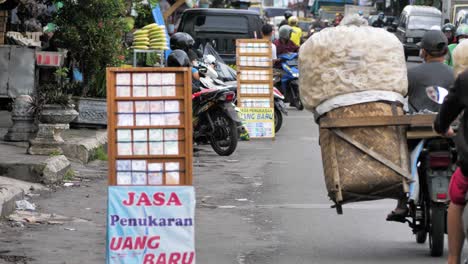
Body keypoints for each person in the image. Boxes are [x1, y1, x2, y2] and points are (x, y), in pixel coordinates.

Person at [387, 30, 455, 221]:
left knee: (401, 156)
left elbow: (398, 99)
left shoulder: (412, 73)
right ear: (445, 52)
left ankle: (401, 203)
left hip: (416, 133)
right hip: (450, 133)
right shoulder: (455, 75)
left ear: (423, 52)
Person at [433, 65, 468, 264]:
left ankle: (453, 258)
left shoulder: (465, 79)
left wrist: (441, 127)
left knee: (457, 198)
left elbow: (447, 111)